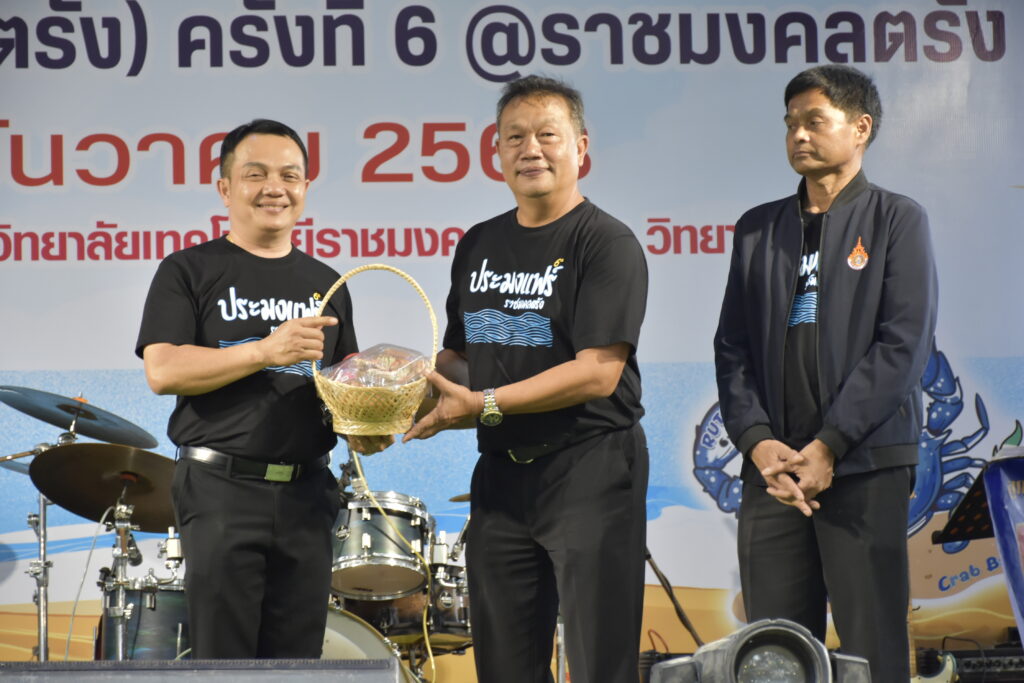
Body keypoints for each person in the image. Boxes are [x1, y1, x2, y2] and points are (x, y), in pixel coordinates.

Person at [403, 75, 649, 683]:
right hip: (501, 479)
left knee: (599, 664)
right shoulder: (479, 243)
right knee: (505, 667)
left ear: (580, 147)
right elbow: (459, 358)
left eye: (547, 135)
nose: (530, 150)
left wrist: (483, 404)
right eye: (514, 137)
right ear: (496, 151)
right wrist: (398, 391)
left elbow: (597, 373)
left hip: (591, 467)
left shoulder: (606, 242)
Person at [713, 64, 937, 680]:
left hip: (863, 465)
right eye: (790, 123)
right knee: (774, 656)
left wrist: (829, 445)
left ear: (860, 128)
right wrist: (758, 442)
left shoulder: (897, 219)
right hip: (775, 475)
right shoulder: (758, 229)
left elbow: (903, 345)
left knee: (873, 648)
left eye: (815, 121)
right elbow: (732, 348)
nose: (798, 135)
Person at [135, 118, 388, 658]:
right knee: (225, 662)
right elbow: (163, 370)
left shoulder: (328, 283)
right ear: (225, 188)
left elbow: (341, 391)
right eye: (256, 174)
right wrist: (264, 351)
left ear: (305, 188)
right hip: (221, 489)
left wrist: (367, 426)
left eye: (289, 176)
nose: (275, 188)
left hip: (308, 494)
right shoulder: (188, 269)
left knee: (298, 662)